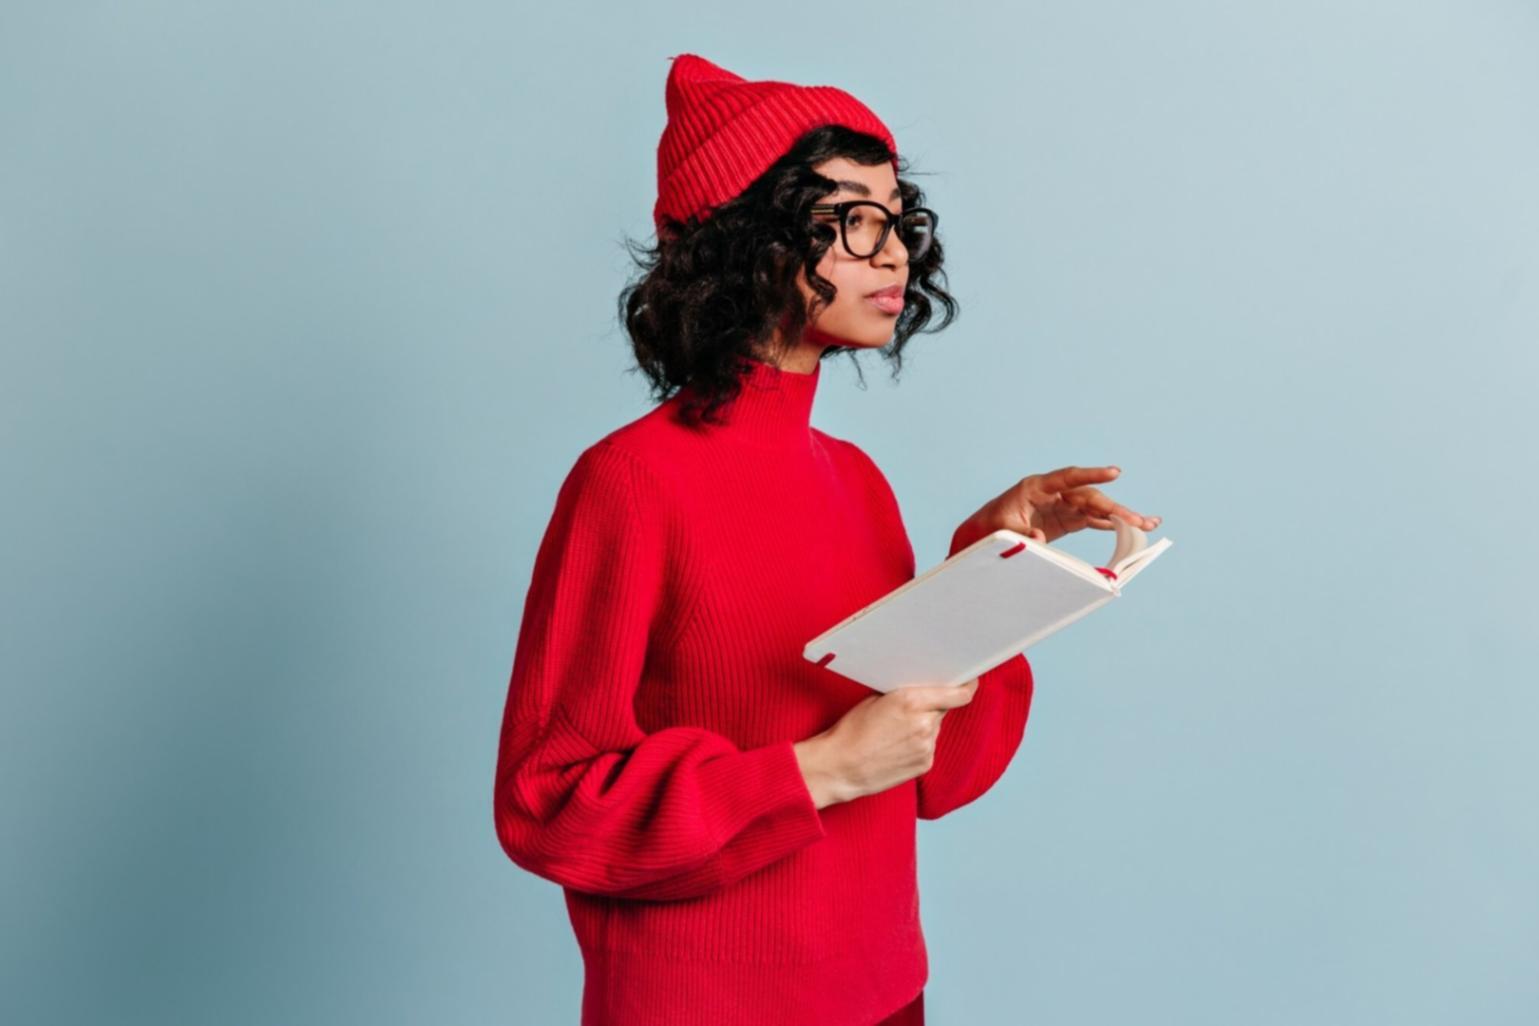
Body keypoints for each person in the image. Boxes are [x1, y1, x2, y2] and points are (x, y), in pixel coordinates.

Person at [492, 53, 1162, 1026]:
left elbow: (935, 775)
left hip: (885, 991)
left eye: (897, 219)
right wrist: (820, 770)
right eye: (853, 219)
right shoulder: (630, 483)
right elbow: (547, 802)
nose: (893, 255)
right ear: (747, 241)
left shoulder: (857, 483)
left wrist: (991, 568)